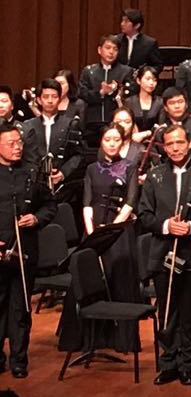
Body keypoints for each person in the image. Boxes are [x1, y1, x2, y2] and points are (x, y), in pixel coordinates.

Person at [139, 124, 191, 386]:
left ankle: (187, 364)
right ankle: (168, 363)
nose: (175, 148)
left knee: (188, 311)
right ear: (164, 147)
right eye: (170, 144)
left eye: (179, 143)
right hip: (163, 252)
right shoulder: (155, 175)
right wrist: (166, 225)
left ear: (189, 143)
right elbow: (144, 215)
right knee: (166, 311)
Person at [56, 124, 140, 358]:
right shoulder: (92, 168)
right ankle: (87, 338)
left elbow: (131, 201)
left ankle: (120, 339)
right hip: (93, 230)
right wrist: (92, 233)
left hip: (119, 231)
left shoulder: (130, 167)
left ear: (122, 142)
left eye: (116, 140)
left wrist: (112, 229)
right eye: (107, 139)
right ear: (101, 142)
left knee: (119, 279)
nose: (112, 144)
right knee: (87, 280)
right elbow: (87, 202)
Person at [0, 121, 54, 378]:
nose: (17, 147)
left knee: (21, 308)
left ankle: (19, 360)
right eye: (11, 143)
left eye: (19, 142)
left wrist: (37, 218)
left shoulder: (32, 172)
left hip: (25, 251)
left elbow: (49, 205)